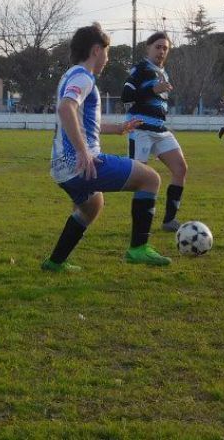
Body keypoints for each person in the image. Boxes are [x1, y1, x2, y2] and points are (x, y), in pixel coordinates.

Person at [43, 23, 171, 271]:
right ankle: (138, 248)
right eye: (107, 52)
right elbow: (66, 109)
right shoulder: (83, 77)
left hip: (61, 170)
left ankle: (55, 262)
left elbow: (82, 121)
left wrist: (119, 128)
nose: (107, 59)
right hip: (81, 164)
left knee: (92, 206)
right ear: (95, 51)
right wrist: (82, 151)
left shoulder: (69, 76)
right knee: (151, 180)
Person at [121, 31, 188, 233]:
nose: (161, 51)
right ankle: (96, 186)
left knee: (180, 169)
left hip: (160, 130)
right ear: (148, 48)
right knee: (138, 180)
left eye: (165, 48)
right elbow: (126, 96)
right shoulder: (140, 69)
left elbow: (158, 103)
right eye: (158, 47)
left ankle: (169, 220)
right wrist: (152, 90)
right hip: (140, 129)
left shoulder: (162, 72)